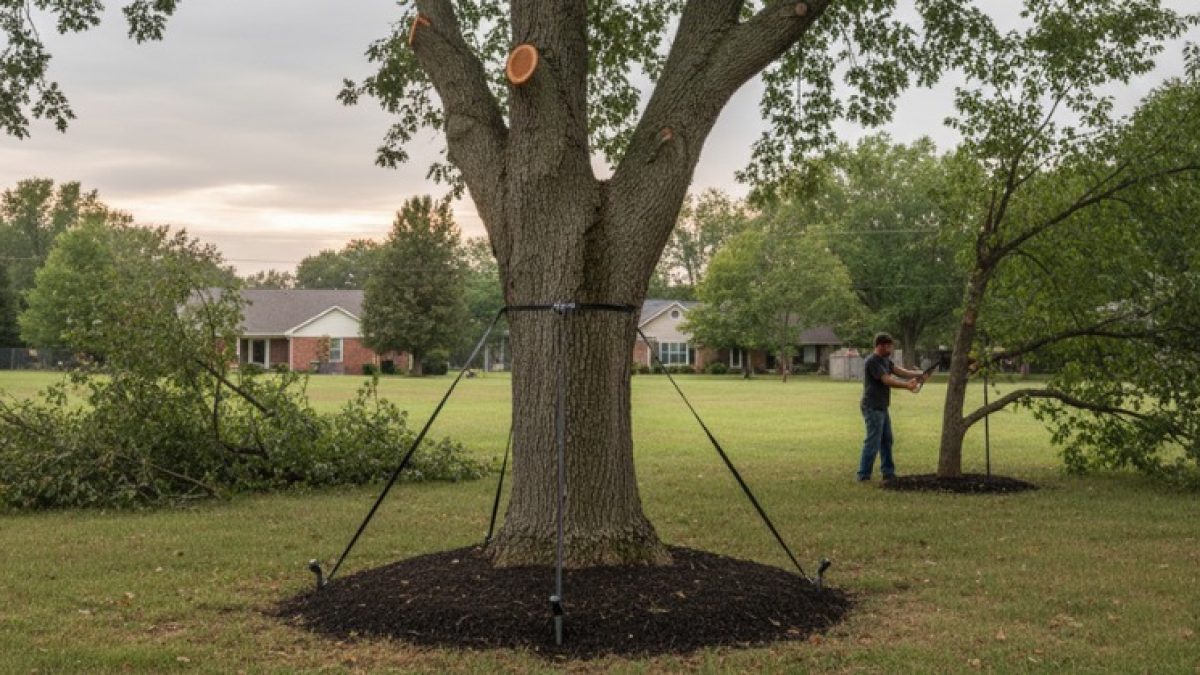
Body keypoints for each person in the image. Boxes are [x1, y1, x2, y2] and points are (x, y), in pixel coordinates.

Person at [857, 333, 930, 483]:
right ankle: (863, 475)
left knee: (887, 440)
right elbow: (887, 379)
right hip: (872, 406)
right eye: (888, 346)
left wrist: (920, 374)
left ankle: (888, 472)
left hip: (882, 406)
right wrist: (907, 386)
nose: (890, 348)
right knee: (873, 441)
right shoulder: (873, 361)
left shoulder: (885, 360)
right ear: (880, 345)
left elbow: (901, 372)